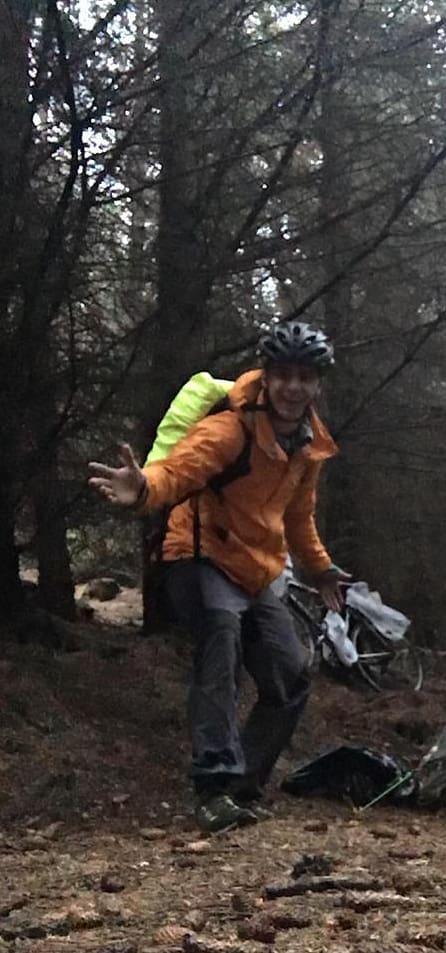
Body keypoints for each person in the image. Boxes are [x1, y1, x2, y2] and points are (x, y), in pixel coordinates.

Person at [88, 321, 348, 832]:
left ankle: (241, 786)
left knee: (291, 674)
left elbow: (298, 517)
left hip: (256, 567)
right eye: (283, 376)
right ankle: (212, 787)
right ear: (267, 378)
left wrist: (319, 568)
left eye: (304, 377)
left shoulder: (309, 445)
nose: (293, 387)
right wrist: (142, 489)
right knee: (221, 644)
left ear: (317, 383)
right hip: (197, 552)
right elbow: (180, 470)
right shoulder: (231, 428)